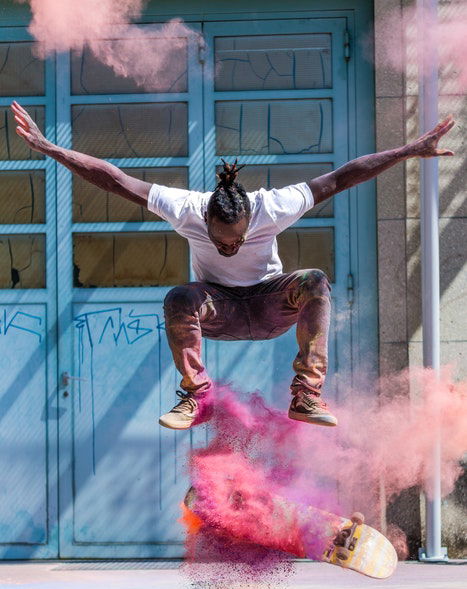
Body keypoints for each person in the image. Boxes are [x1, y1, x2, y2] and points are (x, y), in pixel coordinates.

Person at [11, 102, 454, 430]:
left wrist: (409, 151)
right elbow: (115, 180)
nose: (230, 247)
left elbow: (341, 177)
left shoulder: (273, 206)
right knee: (180, 296)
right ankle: (195, 397)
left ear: (249, 220)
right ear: (205, 220)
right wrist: (50, 148)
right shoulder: (185, 208)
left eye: (238, 239)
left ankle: (306, 395)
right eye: (221, 242)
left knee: (315, 281)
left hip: (268, 305)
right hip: (218, 308)